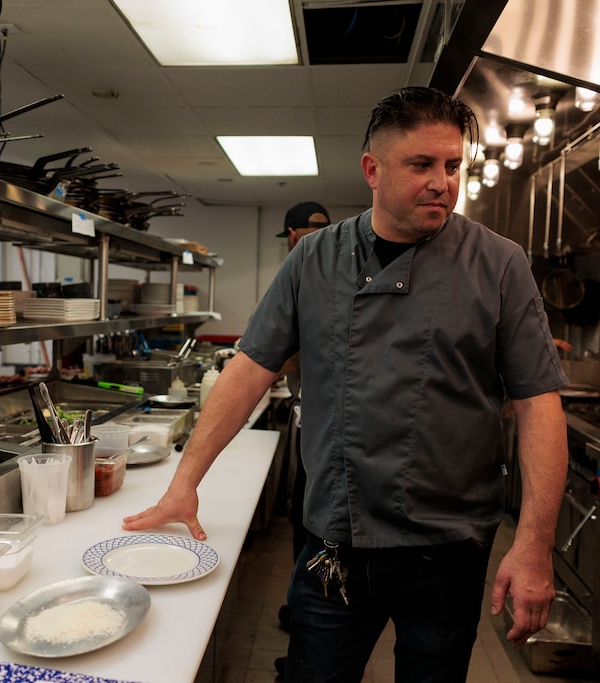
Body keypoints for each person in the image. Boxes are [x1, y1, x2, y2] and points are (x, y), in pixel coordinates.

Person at [123, 87, 569, 682]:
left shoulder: (500, 264)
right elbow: (249, 368)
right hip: (335, 541)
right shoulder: (313, 260)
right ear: (372, 170)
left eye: (452, 165)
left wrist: (535, 544)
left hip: (448, 550)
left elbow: (539, 405)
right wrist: (184, 483)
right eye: (421, 165)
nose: (443, 182)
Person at [273, 202, 332, 675]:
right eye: (308, 228)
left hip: (327, 426)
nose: (315, 235)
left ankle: (308, 629)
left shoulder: (329, 273)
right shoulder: (295, 273)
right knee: (301, 518)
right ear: (291, 233)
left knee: (313, 521)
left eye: (322, 228)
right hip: (305, 419)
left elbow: (300, 354)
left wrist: (269, 355)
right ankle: (301, 619)